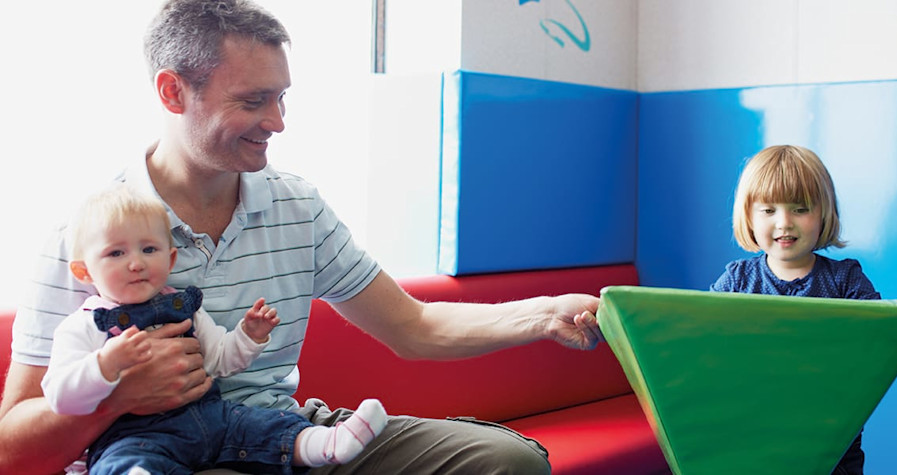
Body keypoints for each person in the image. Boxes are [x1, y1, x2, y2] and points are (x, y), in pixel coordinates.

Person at [0, 1, 601, 473]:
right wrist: (117, 396)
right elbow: (13, 448)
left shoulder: (297, 206)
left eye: (281, 98)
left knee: (507, 462)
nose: (278, 122)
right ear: (172, 92)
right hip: (161, 455)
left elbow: (414, 326)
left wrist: (545, 314)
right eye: (253, 101)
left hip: (285, 435)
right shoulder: (89, 239)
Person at [41, 185, 388, 474]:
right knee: (123, 460)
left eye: (149, 249)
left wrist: (249, 336)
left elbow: (220, 360)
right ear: (84, 272)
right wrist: (104, 366)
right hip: (136, 436)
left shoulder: (184, 307)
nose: (136, 263)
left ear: (170, 259)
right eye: (116, 253)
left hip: (212, 418)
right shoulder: (84, 325)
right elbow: (60, 396)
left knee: (263, 425)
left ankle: (326, 443)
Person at [710, 144, 880, 475]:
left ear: (824, 214)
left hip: (832, 441)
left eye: (800, 209)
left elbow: (881, 339)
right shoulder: (737, 281)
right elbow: (699, 340)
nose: (784, 223)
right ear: (748, 216)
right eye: (768, 210)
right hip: (750, 436)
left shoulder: (845, 280)